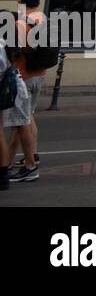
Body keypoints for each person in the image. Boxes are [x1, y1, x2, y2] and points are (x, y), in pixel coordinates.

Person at [8, 0, 48, 182]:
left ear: (22, 2)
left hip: (24, 75)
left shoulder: (20, 23)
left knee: (21, 122)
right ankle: (33, 155)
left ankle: (28, 165)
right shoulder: (43, 19)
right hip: (39, 73)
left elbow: (18, 49)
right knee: (29, 117)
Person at [0, 44, 33, 191]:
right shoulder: (4, 42)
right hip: (14, 88)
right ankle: (6, 170)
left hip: (10, 90)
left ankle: (28, 165)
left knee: (21, 126)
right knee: (21, 126)